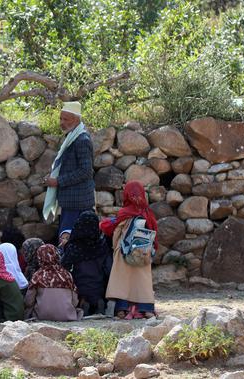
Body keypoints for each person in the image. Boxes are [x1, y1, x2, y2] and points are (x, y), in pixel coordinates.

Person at [101, 181, 158, 319]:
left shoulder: (124, 212)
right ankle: (147, 309)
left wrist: (116, 248)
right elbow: (154, 232)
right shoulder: (148, 214)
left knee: (123, 280)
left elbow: (115, 231)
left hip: (124, 251)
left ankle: (122, 309)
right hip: (143, 251)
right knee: (142, 281)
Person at [42, 101, 95, 235]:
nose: (62, 122)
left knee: (69, 243)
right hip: (71, 203)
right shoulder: (71, 137)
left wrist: (57, 181)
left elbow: (85, 171)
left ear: (76, 120)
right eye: (60, 118)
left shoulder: (82, 140)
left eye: (66, 119)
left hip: (78, 204)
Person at [61, 211, 113, 316]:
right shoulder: (102, 245)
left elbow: (64, 267)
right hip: (99, 286)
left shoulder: (73, 246)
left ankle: (83, 302)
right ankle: (98, 302)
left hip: (79, 286)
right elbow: (108, 268)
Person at [25, 244, 80, 321]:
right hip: (67, 315)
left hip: (42, 316)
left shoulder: (37, 275)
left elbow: (29, 301)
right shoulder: (66, 275)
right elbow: (75, 301)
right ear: (56, 255)